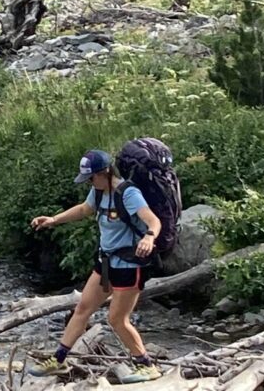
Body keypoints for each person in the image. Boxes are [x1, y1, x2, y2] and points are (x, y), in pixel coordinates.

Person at [27, 149, 163, 383]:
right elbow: (83, 209)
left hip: (129, 266)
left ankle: (146, 365)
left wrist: (149, 237)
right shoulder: (98, 192)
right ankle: (58, 360)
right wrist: (53, 220)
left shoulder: (128, 194)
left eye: (92, 178)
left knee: (117, 320)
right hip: (106, 263)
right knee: (82, 310)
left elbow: (153, 220)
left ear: (106, 172)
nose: (90, 183)